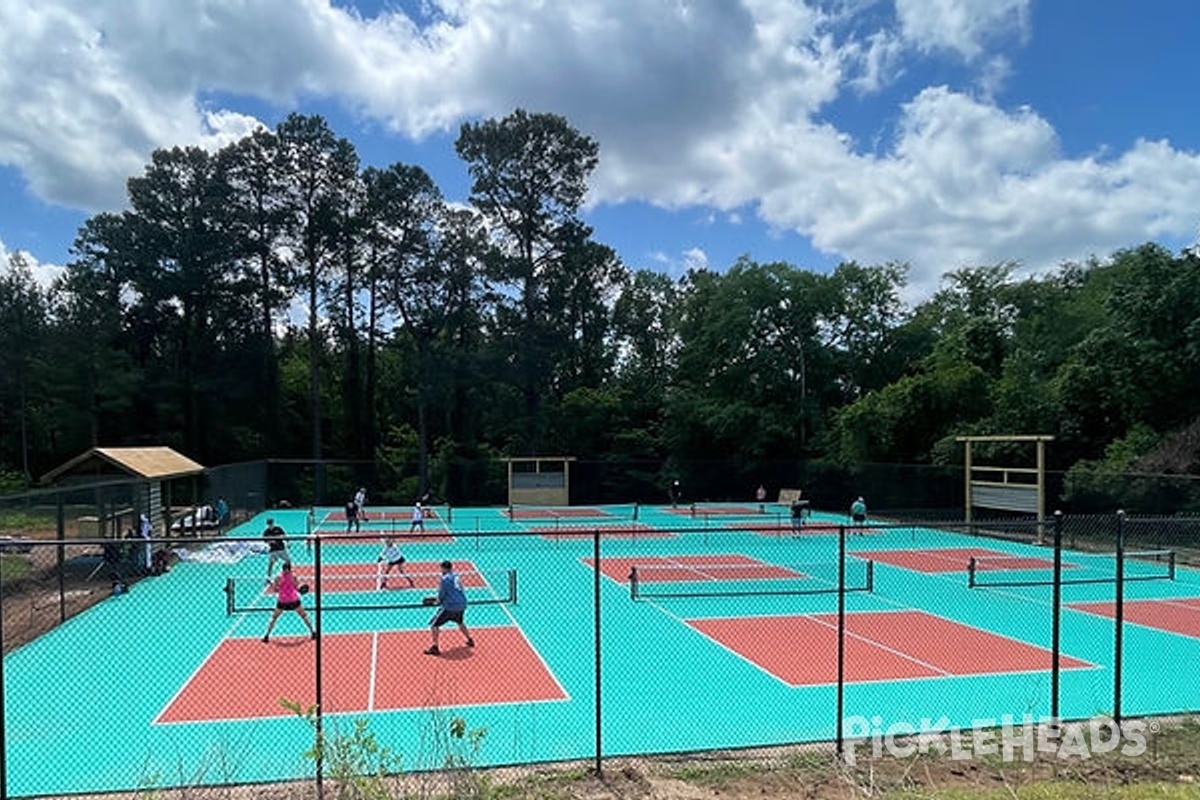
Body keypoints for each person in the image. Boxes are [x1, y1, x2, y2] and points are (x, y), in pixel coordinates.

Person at [424, 560, 474, 655]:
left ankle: (435, 647)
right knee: (460, 622)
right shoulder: (457, 576)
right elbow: (460, 590)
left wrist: (436, 601)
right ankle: (470, 639)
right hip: (462, 604)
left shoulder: (445, 578)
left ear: (444, 568)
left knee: (434, 625)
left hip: (450, 606)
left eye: (441, 568)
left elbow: (441, 594)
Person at [262, 561, 316, 642]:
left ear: (282, 569)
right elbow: (297, 589)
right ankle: (313, 633)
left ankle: (266, 636)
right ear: (290, 569)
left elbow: (276, 590)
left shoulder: (278, 578)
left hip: (282, 601)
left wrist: (270, 584)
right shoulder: (293, 577)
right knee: (304, 616)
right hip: (294, 601)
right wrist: (301, 590)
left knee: (274, 618)